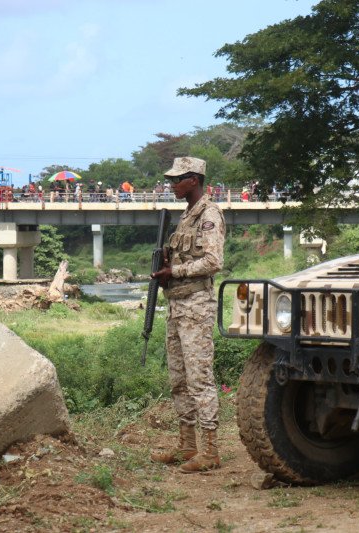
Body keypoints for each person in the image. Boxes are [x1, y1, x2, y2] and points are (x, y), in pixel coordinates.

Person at [149, 157, 226, 473]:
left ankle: (210, 451)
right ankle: (187, 445)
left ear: (193, 180)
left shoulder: (209, 215)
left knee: (199, 379)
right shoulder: (184, 218)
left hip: (196, 306)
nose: (172, 185)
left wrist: (175, 270)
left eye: (177, 180)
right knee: (179, 380)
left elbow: (213, 261)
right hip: (178, 306)